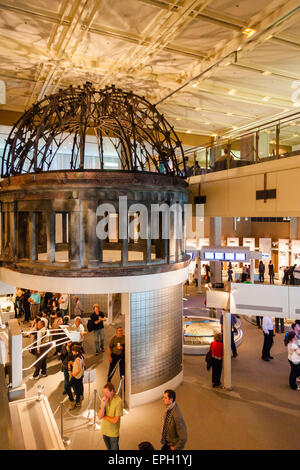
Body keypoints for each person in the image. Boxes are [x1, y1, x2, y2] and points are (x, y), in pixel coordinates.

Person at [98, 382, 123, 450]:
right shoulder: (104, 399)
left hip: (113, 434)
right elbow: (100, 417)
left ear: (112, 391)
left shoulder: (119, 401)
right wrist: (103, 404)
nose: (105, 394)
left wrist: (105, 416)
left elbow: (115, 420)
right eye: (104, 392)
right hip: (104, 431)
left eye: (107, 392)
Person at [68, 345, 85, 409]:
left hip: (76, 376)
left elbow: (79, 369)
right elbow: (83, 364)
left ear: (75, 351)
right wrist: (74, 364)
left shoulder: (77, 359)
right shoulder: (82, 356)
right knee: (79, 387)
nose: (72, 352)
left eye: (73, 351)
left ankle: (72, 400)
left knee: (67, 386)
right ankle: (78, 401)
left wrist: (73, 374)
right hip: (80, 376)